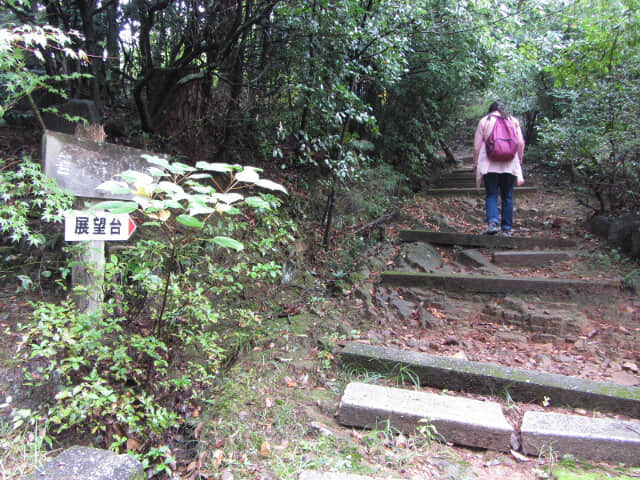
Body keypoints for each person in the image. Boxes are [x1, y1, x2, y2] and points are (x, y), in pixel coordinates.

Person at [473, 101, 525, 236]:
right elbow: (520, 143)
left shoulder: (485, 121)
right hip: (510, 164)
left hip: (489, 165)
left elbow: (477, 147)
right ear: (503, 109)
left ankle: (492, 223)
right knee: (508, 196)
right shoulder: (513, 120)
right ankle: (506, 229)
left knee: (491, 194)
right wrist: (520, 159)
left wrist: (475, 163)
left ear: (490, 110)